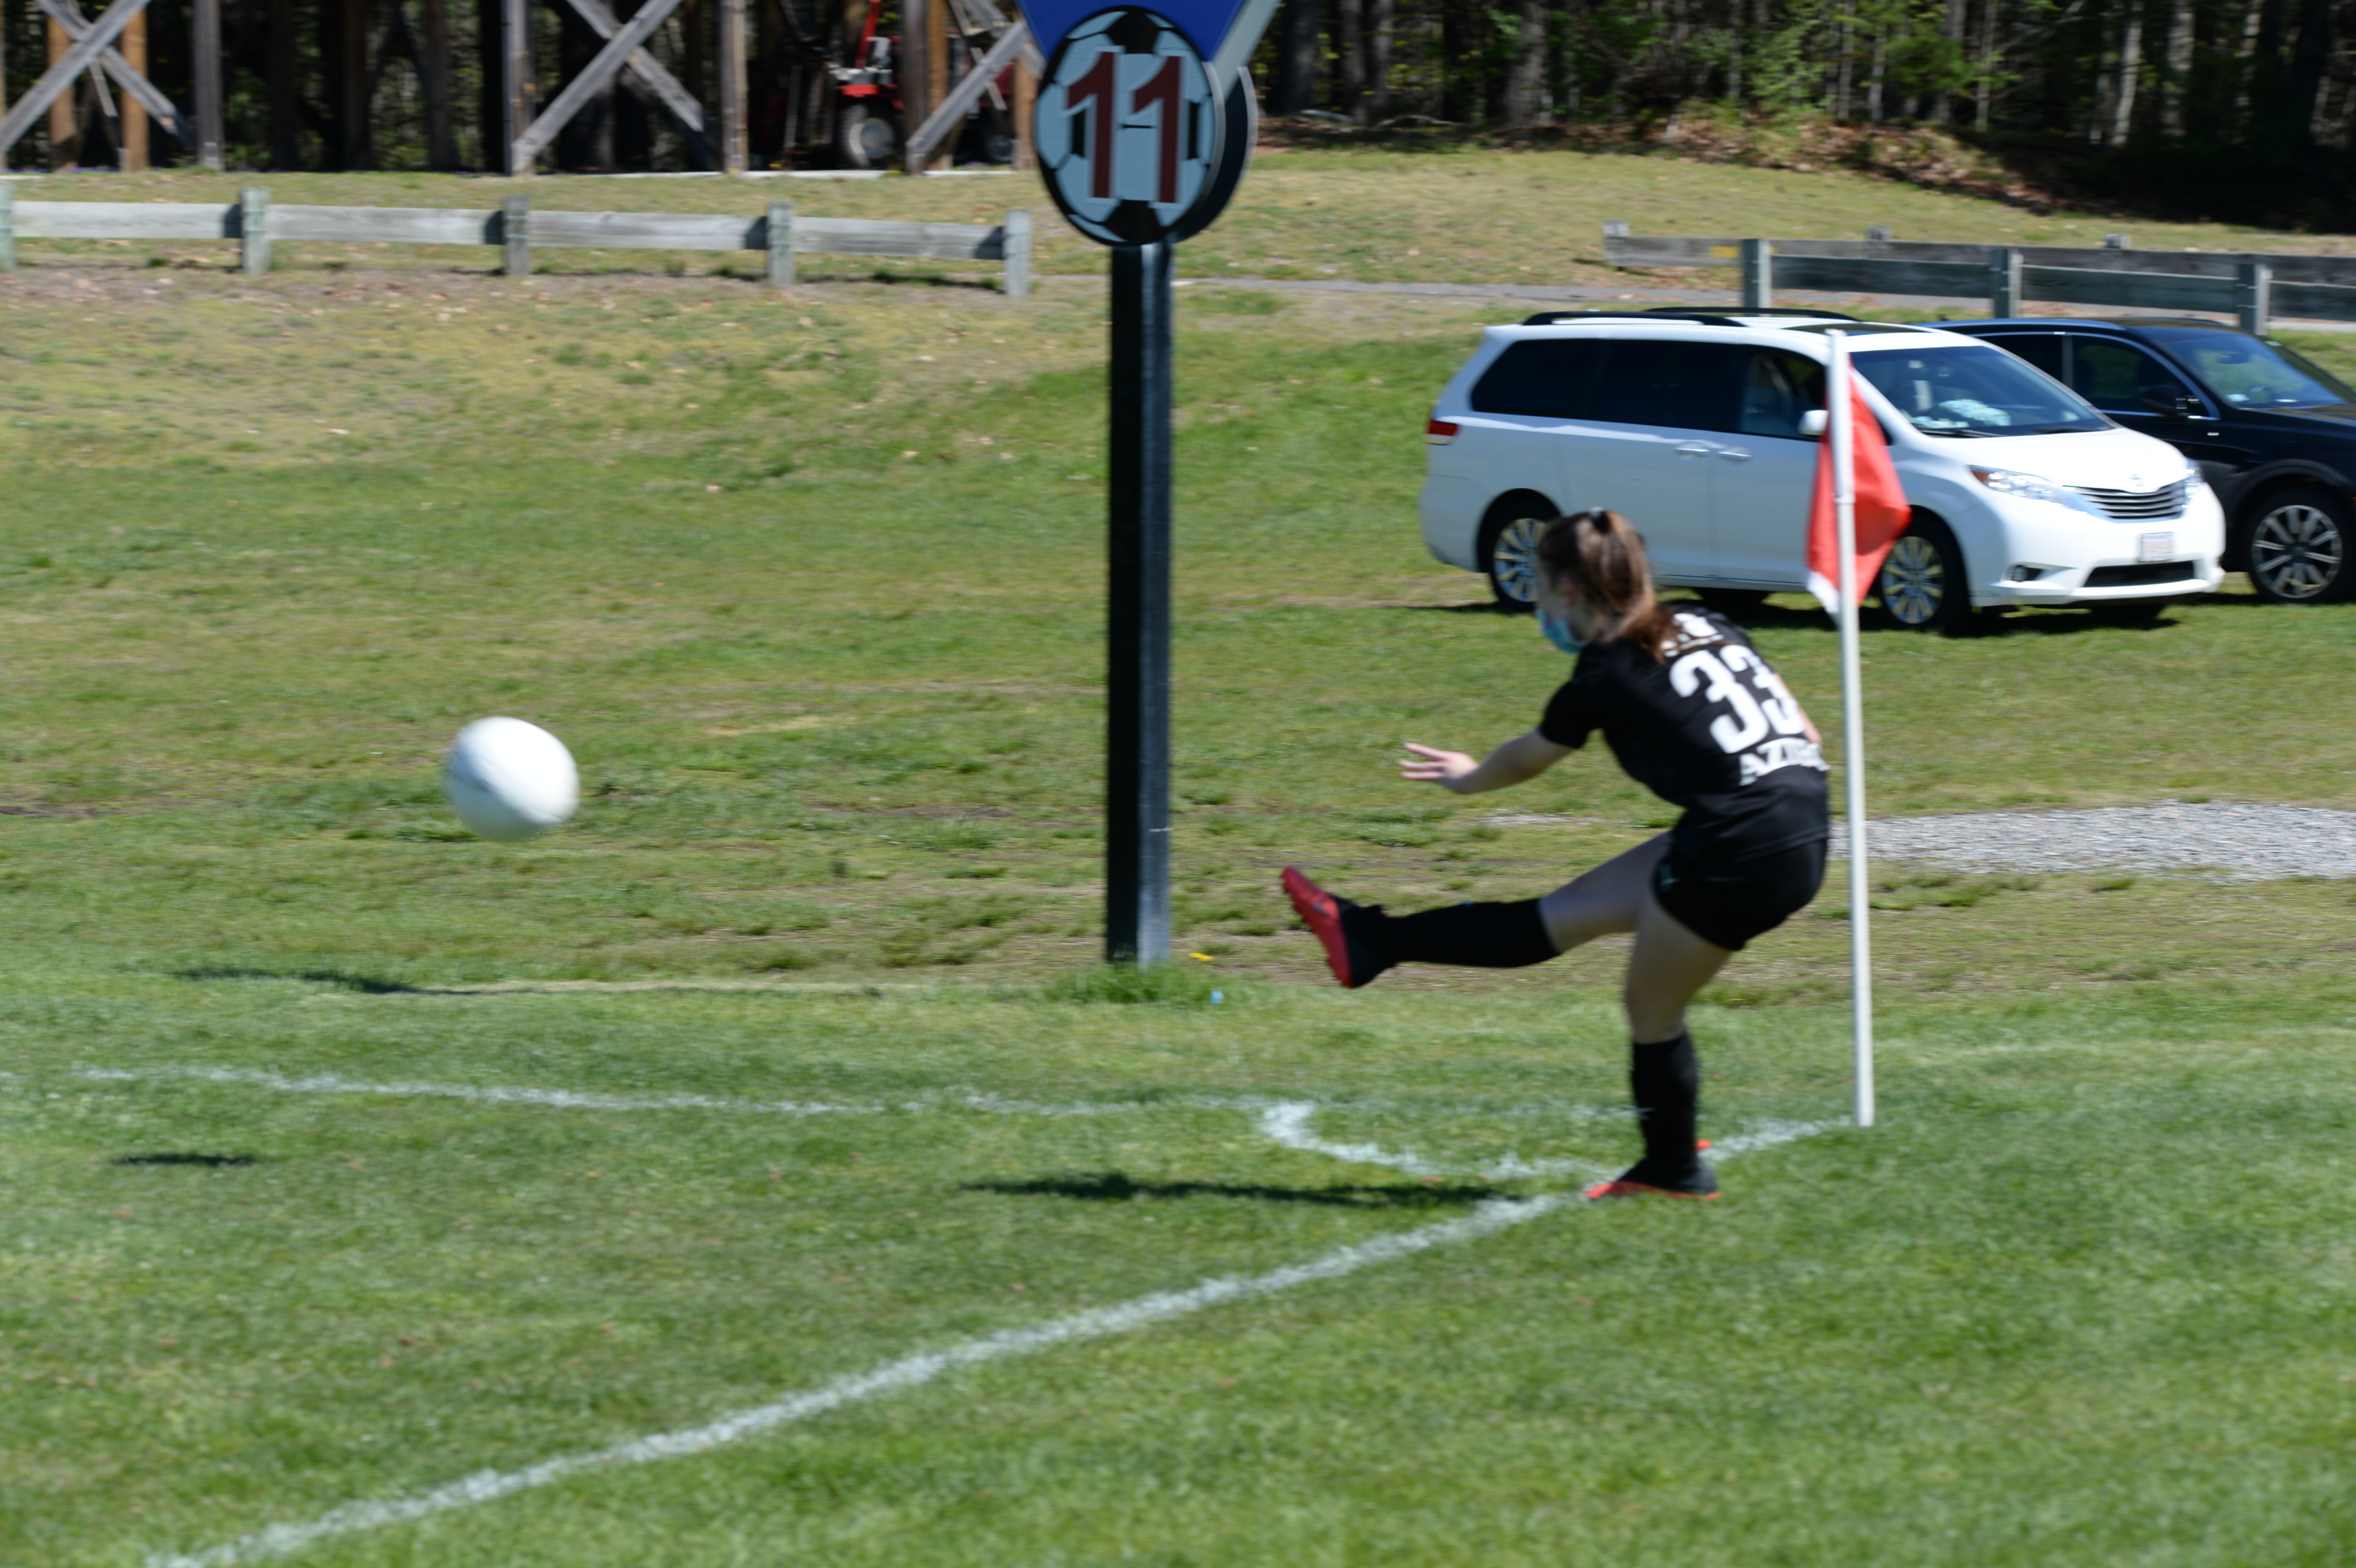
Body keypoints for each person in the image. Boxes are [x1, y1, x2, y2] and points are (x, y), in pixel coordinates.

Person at [1283, 510, 1831, 1200]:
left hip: (1741, 843)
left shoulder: (1605, 670)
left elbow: (1526, 760)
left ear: (1569, 588)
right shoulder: (1705, 620)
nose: (1539, 606)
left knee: (1651, 1009)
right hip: (1794, 816)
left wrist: (1466, 776)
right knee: (1563, 916)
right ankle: (1371, 940)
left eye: (1540, 588)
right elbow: (1806, 732)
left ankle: (1675, 1172)